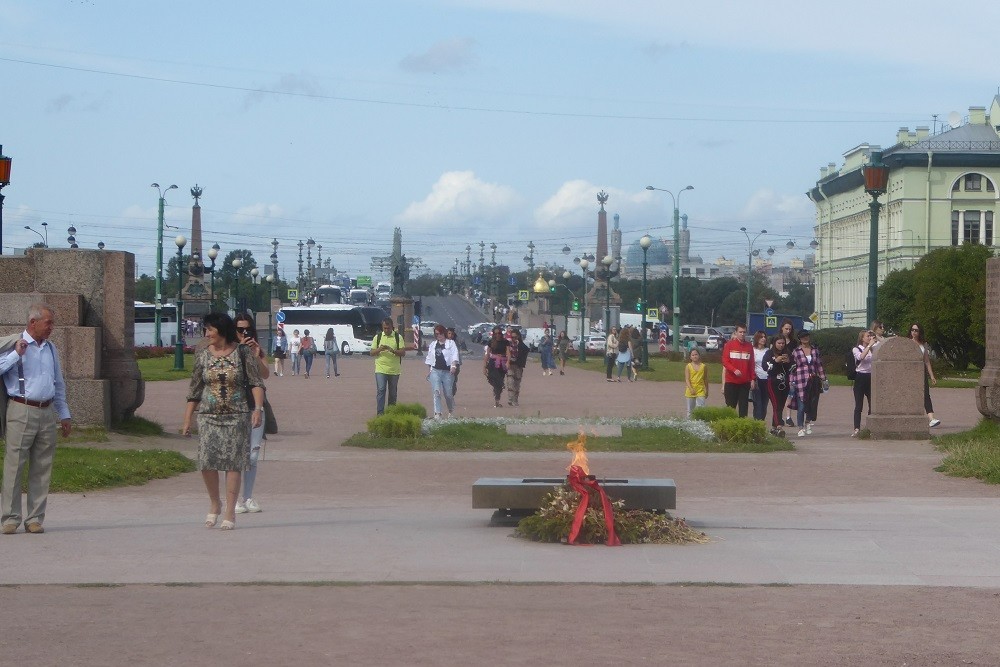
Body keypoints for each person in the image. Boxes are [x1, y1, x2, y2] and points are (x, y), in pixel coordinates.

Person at [181, 312, 264, 531]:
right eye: (205, 330)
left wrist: (257, 409)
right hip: (208, 415)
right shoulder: (202, 355)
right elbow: (195, 389)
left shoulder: (243, 353)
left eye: (210, 330)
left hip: (237, 415)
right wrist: (187, 419)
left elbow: (257, 382)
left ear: (221, 331)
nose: (206, 334)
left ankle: (230, 511)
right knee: (207, 462)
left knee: (234, 463)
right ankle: (214, 502)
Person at [0, 303, 72, 535]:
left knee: (42, 467)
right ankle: (10, 518)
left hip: (46, 411)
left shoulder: (51, 349)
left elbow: (58, 383)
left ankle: (34, 518)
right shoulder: (13, 344)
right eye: (48, 323)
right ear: (33, 323)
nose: (52, 327)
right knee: (14, 465)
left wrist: (64, 414)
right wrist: (15, 354)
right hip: (21, 409)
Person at [233, 313, 270, 514]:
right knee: (236, 454)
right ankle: (235, 498)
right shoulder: (230, 349)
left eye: (247, 329)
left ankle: (248, 497)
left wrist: (255, 356)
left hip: (255, 403)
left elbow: (264, 375)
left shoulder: (256, 349)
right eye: (240, 330)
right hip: (234, 406)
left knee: (253, 454)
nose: (244, 333)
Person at [790, 329, 827, 437]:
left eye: (806, 336)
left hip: (813, 379)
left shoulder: (815, 350)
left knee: (812, 403)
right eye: (803, 337)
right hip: (800, 380)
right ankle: (800, 427)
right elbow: (793, 368)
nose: (805, 338)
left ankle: (808, 422)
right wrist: (791, 381)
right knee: (801, 404)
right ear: (799, 339)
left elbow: (819, 365)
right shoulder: (796, 352)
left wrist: (824, 378)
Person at [371, 318, 407, 415]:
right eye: (384, 328)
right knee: (381, 390)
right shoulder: (378, 337)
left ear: (392, 327)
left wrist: (393, 350)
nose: (386, 330)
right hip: (380, 368)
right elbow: (371, 353)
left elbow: (403, 352)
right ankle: (380, 414)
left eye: (388, 328)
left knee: (393, 393)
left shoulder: (397, 337)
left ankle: (391, 413)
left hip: (394, 370)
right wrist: (379, 349)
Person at [424, 324, 459, 419]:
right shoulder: (433, 344)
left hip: (447, 372)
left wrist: (453, 366)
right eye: (436, 334)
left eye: (440, 333)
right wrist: (430, 371)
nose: (438, 336)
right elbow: (430, 359)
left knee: (448, 393)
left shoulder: (451, 343)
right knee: (436, 391)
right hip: (435, 371)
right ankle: (437, 413)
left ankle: (451, 410)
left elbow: (454, 355)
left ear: (444, 333)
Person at [910, 322, 940, 427]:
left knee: (926, 394)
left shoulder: (923, 344)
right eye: (912, 330)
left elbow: (927, 361)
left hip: (921, 370)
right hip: (911, 371)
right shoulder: (908, 343)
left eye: (916, 330)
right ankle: (911, 417)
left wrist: (932, 376)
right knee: (912, 395)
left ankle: (931, 418)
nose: (914, 332)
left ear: (920, 332)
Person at [762, 336, 793, 437]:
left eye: (783, 343)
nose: (781, 345)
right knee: (776, 405)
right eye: (779, 343)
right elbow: (765, 367)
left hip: (785, 383)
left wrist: (788, 362)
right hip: (773, 382)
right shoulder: (769, 353)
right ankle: (779, 426)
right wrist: (775, 361)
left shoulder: (787, 353)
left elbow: (794, 367)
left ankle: (773, 428)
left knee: (780, 405)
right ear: (775, 343)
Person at [721, 324, 754, 417]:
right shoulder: (729, 345)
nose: (742, 334)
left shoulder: (749, 346)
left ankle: (742, 428)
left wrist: (752, 378)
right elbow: (725, 361)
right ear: (736, 333)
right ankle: (729, 428)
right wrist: (734, 370)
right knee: (730, 408)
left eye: (744, 332)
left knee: (743, 408)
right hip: (731, 381)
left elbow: (751, 364)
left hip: (744, 383)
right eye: (740, 332)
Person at [851, 328, 878, 436]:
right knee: (859, 405)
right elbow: (861, 357)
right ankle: (857, 428)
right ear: (862, 338)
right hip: (860, 377)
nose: (869, 338)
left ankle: (870, 427)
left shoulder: (873, 348)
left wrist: (875, 337)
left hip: (871, 377)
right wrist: (869, 345)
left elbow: (882, 344)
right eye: (867, 336)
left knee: (873, 403)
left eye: (870, 336)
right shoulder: (856, 349)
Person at [778, 319, 799, 427]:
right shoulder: (777, 340)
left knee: (790, 393)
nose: (788, 331)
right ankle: (779, 416)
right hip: (779, 370)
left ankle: (788, 417)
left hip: (790, 371)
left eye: (790, 329)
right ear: (782, 328)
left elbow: (796, 356)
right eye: (786, 328)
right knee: (780, 394)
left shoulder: (794, 342)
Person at [483, 326, 509, 408]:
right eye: (496, 333)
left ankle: (497, 400)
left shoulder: (505, 342)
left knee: (500, 382)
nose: (498, 335)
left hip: (502, 364)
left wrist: (508, 362)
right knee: (494, 380)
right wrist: (484, 366)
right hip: (493, 363)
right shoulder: (491, 342)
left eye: (499, 333)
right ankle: (496, 392)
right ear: (493, 334)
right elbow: (487, 354)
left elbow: (508, 353)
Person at [506, 328, 530, 407]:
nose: (513, 339)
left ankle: (515, 399)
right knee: (510, 382)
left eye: (515, 337)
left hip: (518, 366)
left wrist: (521, 362)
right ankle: (510, 398)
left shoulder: (521, 345)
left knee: (516, 384)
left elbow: (526, 351)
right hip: (510, 365)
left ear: (518, 336)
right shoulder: (508, 344)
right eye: (512, 337)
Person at [683, 347, 708, 418]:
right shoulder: (688, 366)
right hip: (690, 390)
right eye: (693, 355)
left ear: (699, 355)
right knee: (690, 410)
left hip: (700, 390)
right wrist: (691, 388)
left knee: (701, 409)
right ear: (690, 357)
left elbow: (705, 379)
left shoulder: (704, 366)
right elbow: (687, 379)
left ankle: (699, 424)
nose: (695, 356)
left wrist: (707, 390)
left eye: (696, 354)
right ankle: (689, 425)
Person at [751, 330, 770, 422]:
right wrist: (752, 379)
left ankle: (761, 423)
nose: (763, 339)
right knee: (757, 403)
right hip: (757, 379)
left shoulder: (768, 351)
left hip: (767, 379)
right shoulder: (753, 350)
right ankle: (757, 423)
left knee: (764, 404)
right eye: (761, 337)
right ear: (756, 338)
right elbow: (751, 366)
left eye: (764, 337)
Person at [446, 328, 462, 394]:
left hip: (455, 364)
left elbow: (457, 354)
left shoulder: (456, 343)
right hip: (446, 364)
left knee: (453, 380)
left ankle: (452, 394)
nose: (450, 335)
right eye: (449, 333)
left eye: (452, 334)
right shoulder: (443, 342)